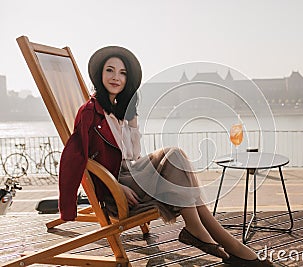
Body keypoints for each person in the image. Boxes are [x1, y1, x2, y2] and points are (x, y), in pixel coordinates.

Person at [58, 45, 273, 267]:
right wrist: (107, 189)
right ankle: (226, 243)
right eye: (110, 71)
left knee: (177, 158)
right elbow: (76, 159)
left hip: (131, 173)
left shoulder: (118, 110)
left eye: (123, 73)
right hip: (116, 185)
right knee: (177, 162)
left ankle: (215, 238)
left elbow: (133, 154)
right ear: (99, 75)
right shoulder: (90, 112)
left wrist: (132, 123)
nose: (116, 78)